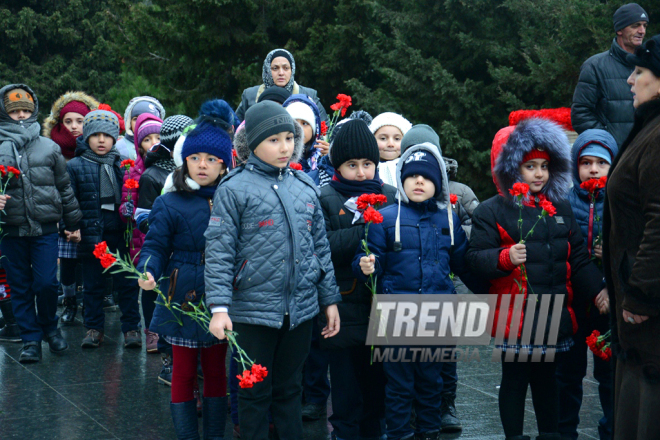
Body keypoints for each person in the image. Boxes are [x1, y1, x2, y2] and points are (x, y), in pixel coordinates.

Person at [205, 100, 341, 440]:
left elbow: (319, 249)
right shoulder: (233, 188)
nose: (284, 147)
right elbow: (220, 251)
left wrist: (330, 300)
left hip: (300, 310)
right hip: (252, 312)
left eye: (289, 138)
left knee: (290, 390)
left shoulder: (305, 186)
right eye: (273, 140)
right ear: (252, 144)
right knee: (253, 392)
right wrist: (219, 308)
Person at [466, 118, 608, 440]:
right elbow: (475, 258)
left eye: (545, 166)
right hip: (515, 317)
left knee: (548, 380)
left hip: (552, 312)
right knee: (515, 379)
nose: (540, 173)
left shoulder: (558, 207)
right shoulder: (492, 210)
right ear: (513, 168)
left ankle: (550, 434)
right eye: (530, 166)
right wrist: (504, 258)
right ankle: (514, 436)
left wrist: (599, 290)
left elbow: (577, 258)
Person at [353, 140, 481, 440]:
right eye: (411, 176)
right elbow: (367, 256)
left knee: (431, 382)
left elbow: (465, 264)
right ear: (401, 180)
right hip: (397, 316)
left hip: (437, 315)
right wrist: (365, 264)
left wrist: (497, 287)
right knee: (398, 386)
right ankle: (399, 434)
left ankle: (429, 432)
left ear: (439, 184)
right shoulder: (384, 218)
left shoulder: (447, 219)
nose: (419, 181)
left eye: (426, 177)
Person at [138, 109, 233, 440]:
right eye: (195, 157)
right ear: (184, 161)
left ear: (224, 163)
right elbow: (155, 245)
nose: (203, 164)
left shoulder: (231, 198)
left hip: (220, 293)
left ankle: (215, 435)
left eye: (211, 158)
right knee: (182, 371)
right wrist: (148, 269)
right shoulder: (170, 202)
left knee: (216, 370)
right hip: (181, 293)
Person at [399, 123, 479, 433]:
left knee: (446, 353)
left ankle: (447, 403)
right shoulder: (403, 187)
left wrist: (448, 235)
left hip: (448, 282)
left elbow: (477, 224)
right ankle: (418, 408)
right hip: (412, 285)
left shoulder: (459, 192)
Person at [320, 119, 396, 440]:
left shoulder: (390, 196)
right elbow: (322, 246)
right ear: (339, 165)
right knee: (346, 394)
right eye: (352, 165)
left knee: (377, 396)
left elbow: (398, 244)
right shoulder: (326, 197)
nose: (362, 172)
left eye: (367, 164)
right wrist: (366, 228)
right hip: (342, 307)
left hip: (382, 308)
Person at [603, 33, 660, 439]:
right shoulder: (650, 128)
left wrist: (640, 293)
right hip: (637, 313)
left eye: (639, 71)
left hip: (649, 316)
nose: (629, 79)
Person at [0, 84, 82, 363]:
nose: (21, 116)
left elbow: (64, 187)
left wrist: (73, 221)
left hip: (45, 228)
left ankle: (50, 326)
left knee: (47, 283)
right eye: (14, 112)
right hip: (10, 229)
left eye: (25, 110)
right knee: (20, 285)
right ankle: (30, 339)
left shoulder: (49, 146)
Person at [557, 129, 617, 440]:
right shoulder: (564, 202)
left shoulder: (620, 202)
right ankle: (565, 430)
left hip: (609, 299)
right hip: (574, 301)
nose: (593, 170)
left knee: (610, 375)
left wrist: (610, 255)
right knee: (568, 373)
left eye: (601, 163)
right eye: (586, 162)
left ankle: (612, 429)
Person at [67, 110, 142, 349]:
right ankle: (94, 328)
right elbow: (69, 200)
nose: (102, 140)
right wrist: (71, 227)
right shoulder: (77, 166)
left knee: (128, 284)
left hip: (120, 233)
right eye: (96, 135)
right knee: (93, 286)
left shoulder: (122, 164)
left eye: (107, 136)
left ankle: (131, 328)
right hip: (92, 233)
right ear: (87, 137)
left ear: (115, 138)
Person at [42, 91, 100, 324]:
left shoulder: (96, 150)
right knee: (66, 265)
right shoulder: (51, 150)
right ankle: (69, 302)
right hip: (61, 218)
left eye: (81, 121)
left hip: (89, 216)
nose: (74, 127)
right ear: (59, 123)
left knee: (89, 264)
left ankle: (90, 301)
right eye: (68, 121)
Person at [571, 3, 649, 147]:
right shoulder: (594, 66)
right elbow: (580, 115)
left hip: (647, 157)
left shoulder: (651, 65)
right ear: (619, 29)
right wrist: (608, 143)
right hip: (614, 160)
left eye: (644, 25)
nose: (642, 31)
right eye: (635, 25)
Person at [120, 112, 163, 353]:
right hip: (140, 239)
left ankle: (164, 328)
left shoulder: (170, 169)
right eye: (147, 139)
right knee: (147, 285)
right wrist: (125, 208)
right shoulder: (132, 171)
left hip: (162, 236)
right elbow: (125, 204)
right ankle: (151, 331)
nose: (153, 143)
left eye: (158, 137)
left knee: (162, 285)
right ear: (138, 144)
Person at [235, 48, 327, 122]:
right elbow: (236, 127)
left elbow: (325, 128)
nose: (281, 73)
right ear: (267, 70)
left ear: (292, 70)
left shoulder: (309, 95)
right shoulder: (250, 95)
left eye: (286, 68)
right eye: (275, 68)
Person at [368, 112, 412, 186]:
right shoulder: (365, 169)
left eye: (397, 139)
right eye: (383, 138)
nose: (390, 144)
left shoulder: (410, 168)